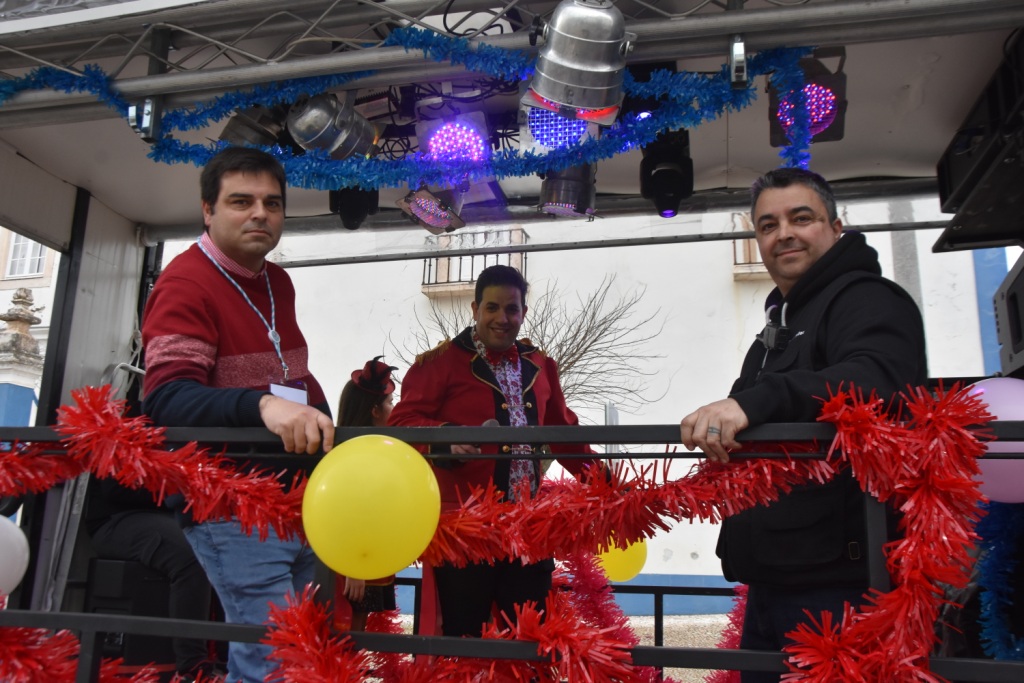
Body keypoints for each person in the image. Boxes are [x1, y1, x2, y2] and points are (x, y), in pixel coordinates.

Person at [679, 167, 928, 682]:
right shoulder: (780, 325)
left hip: (839, 585)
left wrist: (759, 400)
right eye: (768, 225)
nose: (783, 234)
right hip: (773, 578)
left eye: (801, 218)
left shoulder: (867, 298)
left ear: (836, 227)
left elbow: (880, 380)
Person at [140, 146, 335, 683]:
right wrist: (262, 406)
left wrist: (327, 422)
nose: (260, 214)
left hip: (296, 499)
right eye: (241, 202)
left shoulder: (277, 282)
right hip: (232, 506)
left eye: (272, 203)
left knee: (298, 658)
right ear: (208, 210)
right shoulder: (185, 282)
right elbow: (165, 400)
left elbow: (292, 374)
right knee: (270, 663)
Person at [388, 264, 603, 638]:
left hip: (529, 531)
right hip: (467, 532)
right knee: (464, 639)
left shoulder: (541, 366)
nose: (502, 318)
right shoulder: (438, 364)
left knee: (531, 638)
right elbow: (401, 423)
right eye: (492, 308)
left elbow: (566, 436)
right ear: (475, 309)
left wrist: (608, 482)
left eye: (511, 309)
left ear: (523, 312)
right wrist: (445, 437)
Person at [85, 480, 218, 682]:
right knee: (191, 555)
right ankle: (193, 667)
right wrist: (180, 491)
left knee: (226, 547)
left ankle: (229, 658)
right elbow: (114, 489)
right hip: (116, 518)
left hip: (176, 514)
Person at [334, 356, 399, 632]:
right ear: (374, 410)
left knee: (356, 632)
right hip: (353, 562)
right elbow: (346, 511)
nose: (394, 408)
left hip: (369, 555)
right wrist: (354, 567)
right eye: (390, 403)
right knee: (347, 630)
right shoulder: (354, 455)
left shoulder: (376, 449)